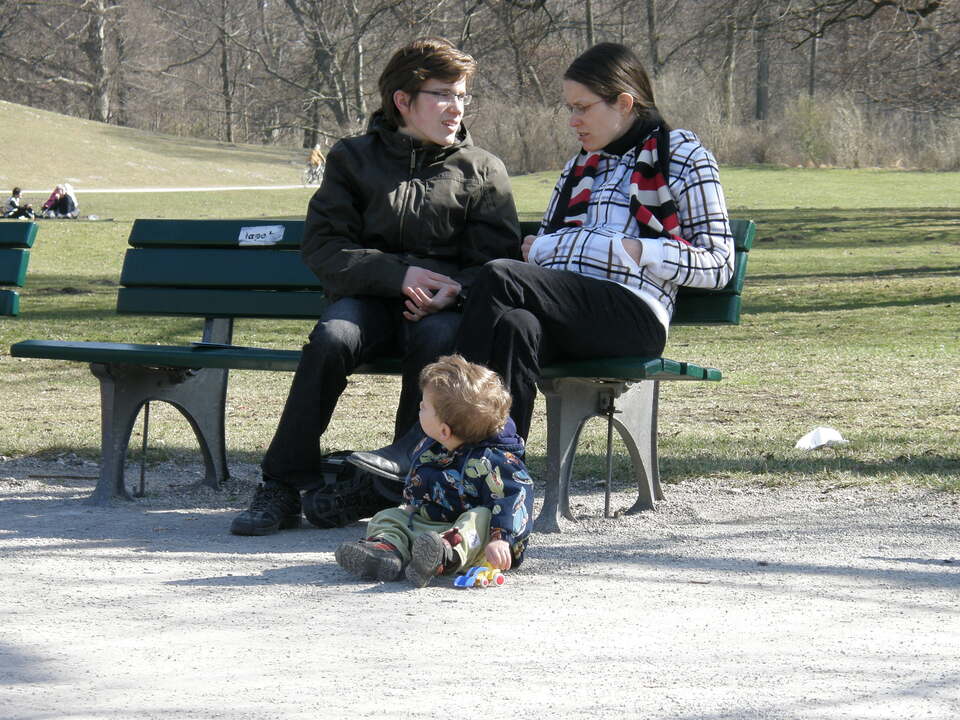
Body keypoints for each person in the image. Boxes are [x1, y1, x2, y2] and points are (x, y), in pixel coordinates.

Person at [352, 41, 735, 481]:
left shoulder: (680, 153)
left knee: (501, 275)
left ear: (624, 103)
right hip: (564, 312)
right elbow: (536, 253)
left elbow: (718, 264)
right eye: (570, 108)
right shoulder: (579, 168)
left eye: (582, 108)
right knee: (517, 326)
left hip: (633, 315)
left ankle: (422, 445)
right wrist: (570, 248)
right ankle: (494, 474)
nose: (573, 120)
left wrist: (633, 250)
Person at [229, 37, 521, 537]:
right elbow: (324, 247)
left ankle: (398, 484)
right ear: (403, 100)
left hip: (440, 311)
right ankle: (282, 483)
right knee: (332, 338)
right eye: (443, 95)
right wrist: (398, 275)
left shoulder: (481, 169)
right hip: (366, 300)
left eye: (461, 96)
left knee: (437, 344)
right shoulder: (353, 158)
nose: (456, 108)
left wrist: (455, 290)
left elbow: (496, 261)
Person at [335, 354, 534, 587]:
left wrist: (502, 539)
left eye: (425, 406)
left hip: (475, 541)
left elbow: (516, 498)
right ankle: (387, 551)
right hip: (428, 527)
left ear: (445, 430)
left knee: (479, 517)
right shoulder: (431, 447)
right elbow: (419, 482)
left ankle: (443, 557)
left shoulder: (497, 461)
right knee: (389, 516)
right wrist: (409, 509)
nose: (419, 407)